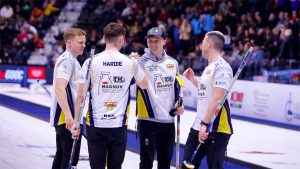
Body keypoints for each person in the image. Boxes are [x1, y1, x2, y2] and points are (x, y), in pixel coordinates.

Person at [72, 22, 148, 169]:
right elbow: (144, 84)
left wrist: (76, 122)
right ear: (122, 40)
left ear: (104, 38)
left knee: (97, 166)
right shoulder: (130, 62)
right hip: (118, 126)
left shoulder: (90, 62)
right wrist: (137, 62)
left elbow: (81, 95)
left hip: (95, 124)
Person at [131, 27, 184, 169]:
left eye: (157, 41)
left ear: (164, 42)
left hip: (168, 121)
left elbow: (178, 88)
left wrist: (179, 104)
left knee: (165, 163)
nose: (153, 44)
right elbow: (129, 81)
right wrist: (132, 62)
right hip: (148, 121)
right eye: (150, 41)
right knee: (146, 163)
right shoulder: (140, 62)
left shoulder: (173, 63)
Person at [182, 31, 233, 169]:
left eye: (203, 42)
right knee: (186, 166)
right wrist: (192, 80)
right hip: (199, 126)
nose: (200, 46)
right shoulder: (209, 67)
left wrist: (205, 124)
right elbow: (206, 92)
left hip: (215, 128)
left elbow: (217, 99)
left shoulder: (222, 68)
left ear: (209, 44)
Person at [49, 28, 86, 169]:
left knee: (61, 155)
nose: (83, 45)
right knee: (70, 158)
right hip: (68, 119)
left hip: (67, 117)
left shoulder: (72, 60)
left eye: (84, 42)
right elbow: (60, 87)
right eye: (80, 42)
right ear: (69, 43)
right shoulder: (67, 61)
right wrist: (69, 116)